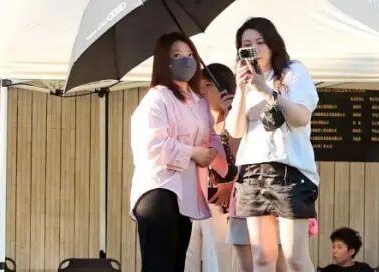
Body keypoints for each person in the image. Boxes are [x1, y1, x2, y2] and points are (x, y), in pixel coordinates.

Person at [226, 17, 319, 272]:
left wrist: (266, 90)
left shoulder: (293, 72)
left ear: (272, 43)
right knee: (262, 258)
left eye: (260, 42)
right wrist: (241, 89)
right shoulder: (245, 82)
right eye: (247, 45)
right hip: (252, 171)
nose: (254, 48)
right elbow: (235, 130)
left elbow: (301, 118)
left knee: (295, 258)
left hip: (290, 170)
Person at [131, 32, 229, 272]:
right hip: (159, 191)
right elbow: (152, 146)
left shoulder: (199, 102)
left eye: (190, 54)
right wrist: (194, 153)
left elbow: (211, 137)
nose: (185, 60)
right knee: (159, 265)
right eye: (177, 55)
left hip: (185, 197)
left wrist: (213, 151)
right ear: (164, 62)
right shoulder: (156, 99)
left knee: (177, 265)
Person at [185, 63, 239, 272]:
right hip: (196, 198)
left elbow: (241, 159)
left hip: (222, 201)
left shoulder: (237, 120)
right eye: (200, 85)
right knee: (188, 258)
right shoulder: (200, 119)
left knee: (218, 261)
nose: (201, 91)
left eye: (207, 85)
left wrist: (230, 115)